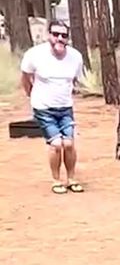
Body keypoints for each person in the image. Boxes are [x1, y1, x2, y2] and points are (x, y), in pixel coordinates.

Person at [20, 20, 85, 194]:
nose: (59, 38)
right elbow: (26, 77)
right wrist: (31, 95)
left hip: (65, 107)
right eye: (55, 34)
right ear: (49, 35)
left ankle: (71, 178)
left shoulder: (75, 57)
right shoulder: (35, 55)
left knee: (69, 144)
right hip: (43, 108)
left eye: (63, 36)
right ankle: (56, 180)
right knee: (56, 144)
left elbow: (75, 80)